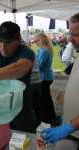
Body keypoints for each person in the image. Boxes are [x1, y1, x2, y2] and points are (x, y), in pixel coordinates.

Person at [41, 12, 79, 149]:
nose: (71, 40)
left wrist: (69, 127)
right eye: (71, 34)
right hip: (72, 132)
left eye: (76, 35)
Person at [33, 33, 57, 125]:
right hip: (47, 76)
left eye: (36, 41)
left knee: (44, 99)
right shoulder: (46, 50)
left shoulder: (44, 51)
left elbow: (39, 66)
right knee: (47, 98)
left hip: (44, 77)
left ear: (40, 40)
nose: (36, 44)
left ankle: (47, 118)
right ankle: (51, 117)